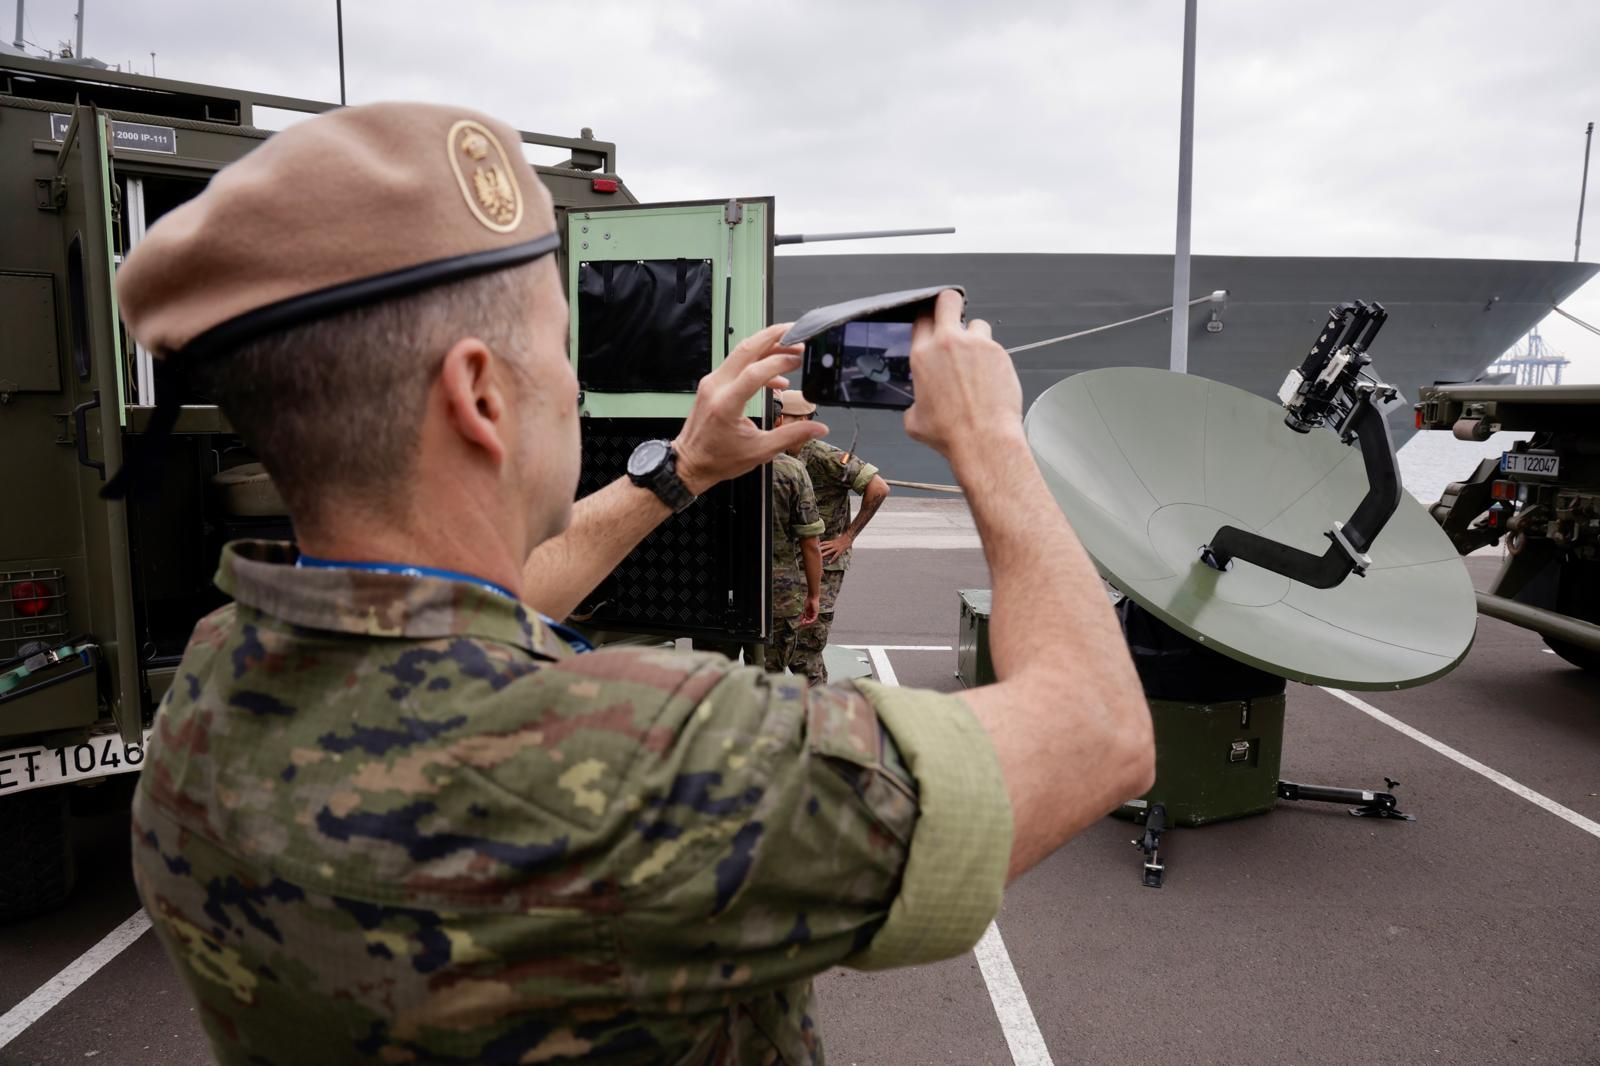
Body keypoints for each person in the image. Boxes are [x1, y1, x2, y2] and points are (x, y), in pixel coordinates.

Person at [120, 102, 1153, 1066]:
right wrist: (991, 442)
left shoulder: (209, 700)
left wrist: (685, 468)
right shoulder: (644, 762)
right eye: (558, 348)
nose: (573, 385)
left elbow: (471, 601)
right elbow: (1098, 729)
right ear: (480, 394)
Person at [774, 390, 891, 684]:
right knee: (782, 637)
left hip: (824, 558)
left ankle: (817, 705)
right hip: (792, 560)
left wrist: (847, 537)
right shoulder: (781, 455)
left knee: (806, 644)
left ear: (799, 420)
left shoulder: (826, 456)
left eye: (780, 416)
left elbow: (878, 487)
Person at [767, 449, 824, 673]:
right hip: (778, 594)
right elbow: (810, 543)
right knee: (770, 677)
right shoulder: (791, 468)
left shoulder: (712, 458)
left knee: (716, 680)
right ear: (778, 419)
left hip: (719, 594)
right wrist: (814, 594)